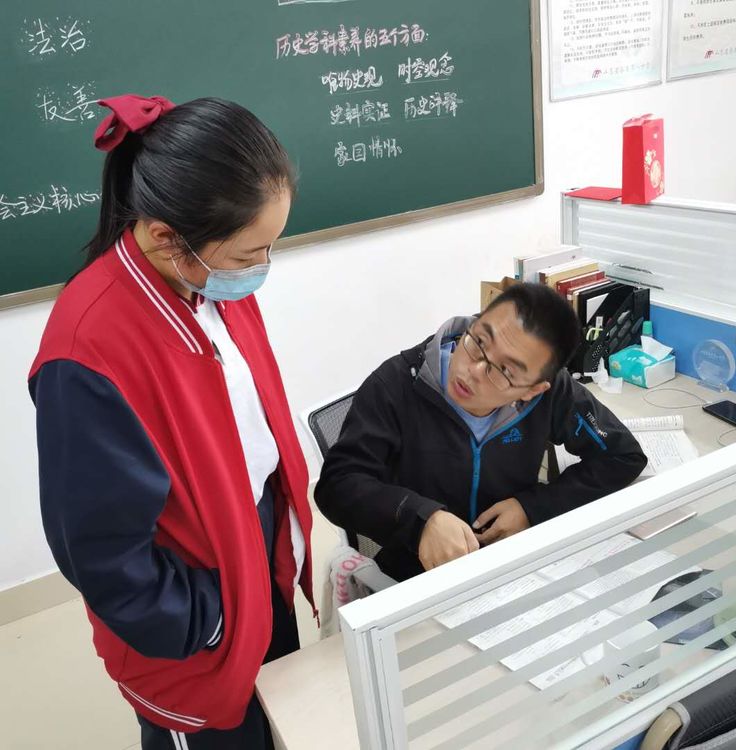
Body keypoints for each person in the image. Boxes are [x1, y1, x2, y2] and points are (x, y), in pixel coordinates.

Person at [29, 94, 315, 749]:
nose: (262, 268)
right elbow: (103, 556)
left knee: (274, 726)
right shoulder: (87, 351)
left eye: (270, 247)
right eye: (250, 254)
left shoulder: (206, 279)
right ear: (165, 237)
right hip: (197, 609)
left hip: (251, 552)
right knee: (222, 729)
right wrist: (209, 620)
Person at [315, 282, 647, 582]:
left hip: (509, 568)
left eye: (504, 371)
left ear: (532, 389)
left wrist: (532, 508)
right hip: (416, 577)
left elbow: (622, 456)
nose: (472, 371)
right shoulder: (397, 385)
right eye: (478, 342)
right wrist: (421, 520)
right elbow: (337, 485)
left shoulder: (551, 394)